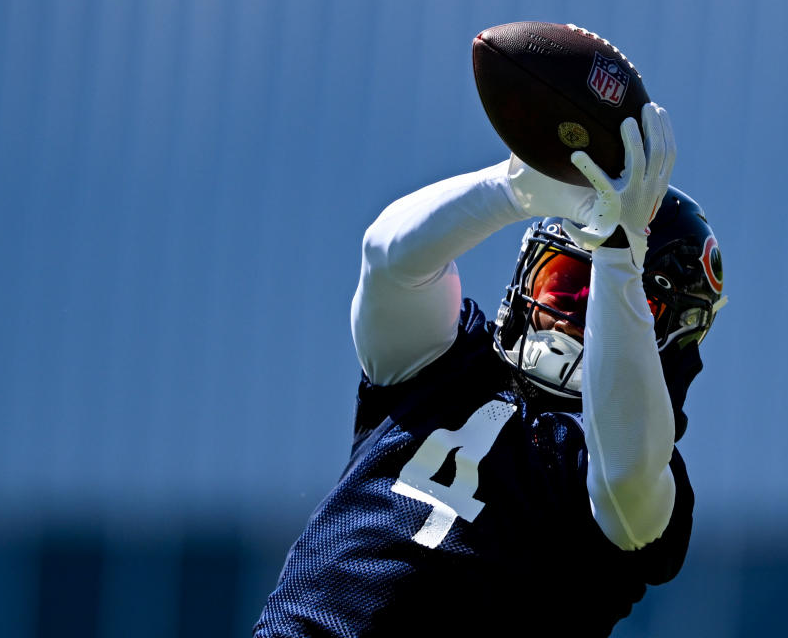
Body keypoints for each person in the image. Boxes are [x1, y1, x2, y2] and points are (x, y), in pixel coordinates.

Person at [253, 101, 725, 636]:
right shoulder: (448, 364)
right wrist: (513, 188)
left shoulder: (639, 477)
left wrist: (621, 255)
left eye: (612, 300)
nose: (571, 315)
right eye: (565, 284)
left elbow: (624, 469)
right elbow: (389, 259)